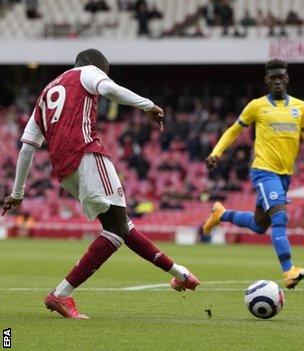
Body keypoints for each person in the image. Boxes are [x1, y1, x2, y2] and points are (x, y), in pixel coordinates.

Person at [1, 49, 200, 319]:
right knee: (117, 231)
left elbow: (27, 147)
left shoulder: (47, 92)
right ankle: (60, 294)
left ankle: (182, 275)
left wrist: (17, 191)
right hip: (87, 154)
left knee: (121, 226)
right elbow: (110, 88)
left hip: (64, 170)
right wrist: (147, 105)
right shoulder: (90, 72)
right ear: (98, 67)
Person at [202, 59, 304, 289]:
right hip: (264, 172)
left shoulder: (300, 107)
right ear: (267, 81)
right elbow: (234, 131)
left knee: (258, 225)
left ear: (287, 79)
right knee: (280, 217)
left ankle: (221, 214)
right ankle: (289, 271)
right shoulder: (257, 106)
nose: (277, 81)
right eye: (272, 78)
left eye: (281, 77)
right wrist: (216, 152)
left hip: (285, 176)